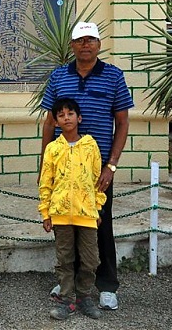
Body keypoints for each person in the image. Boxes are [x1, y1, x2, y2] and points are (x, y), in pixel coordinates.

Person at [40, 21, 134, 311]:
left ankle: (106, 285)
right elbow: (48, 123)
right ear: (72, 46)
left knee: (99, 227)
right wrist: (45, 163)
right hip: (63, 168)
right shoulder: (58, 77)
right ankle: (71, 284)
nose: (85, 45)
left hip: (97, 171)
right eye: (80, 40)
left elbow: (122, 122)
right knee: (67, 225)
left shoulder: (114, 76)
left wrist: (112, 166)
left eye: (91, 39)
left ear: (98, 44)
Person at [39, 98, 106, 320]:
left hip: (86, 213)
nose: (66, 118)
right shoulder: (52, 149)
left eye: (70, 113)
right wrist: (45, 212)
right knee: (64, 258)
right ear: (56, 121)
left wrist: (96, 208)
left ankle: (84, 296)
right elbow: (46, 181)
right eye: (61, 115)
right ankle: (66, 299)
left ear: (79, 118)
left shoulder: (90, 145)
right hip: (59, 214)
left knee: (90, 259)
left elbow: (97, 179)